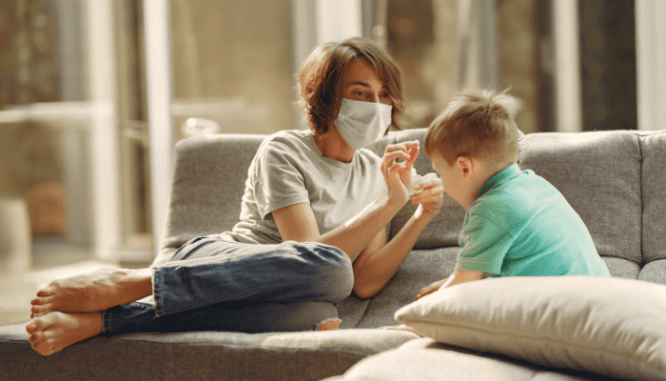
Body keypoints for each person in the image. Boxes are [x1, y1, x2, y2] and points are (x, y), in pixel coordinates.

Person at [25, 37, 444, 356]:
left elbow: (367, 283)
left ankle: (106, 320)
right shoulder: (284, 149)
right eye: (360, 92)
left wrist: (415, 212)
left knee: (320, 314)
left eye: (383, 94)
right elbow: (306, 252)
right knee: (332, 269)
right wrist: (387, 203)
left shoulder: (379, 174)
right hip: (220, 257)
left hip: (282, 294)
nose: (376, 105)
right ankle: (139, 281)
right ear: (328, 98)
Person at [412, 89, 611, 302]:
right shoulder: (534, 184)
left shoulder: (490, 210)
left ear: (465, 168)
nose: (440, 180)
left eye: (440, 172)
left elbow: (461, 288)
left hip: (565, 314)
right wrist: (449, 283)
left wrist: (414, 323)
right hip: (602, 296)